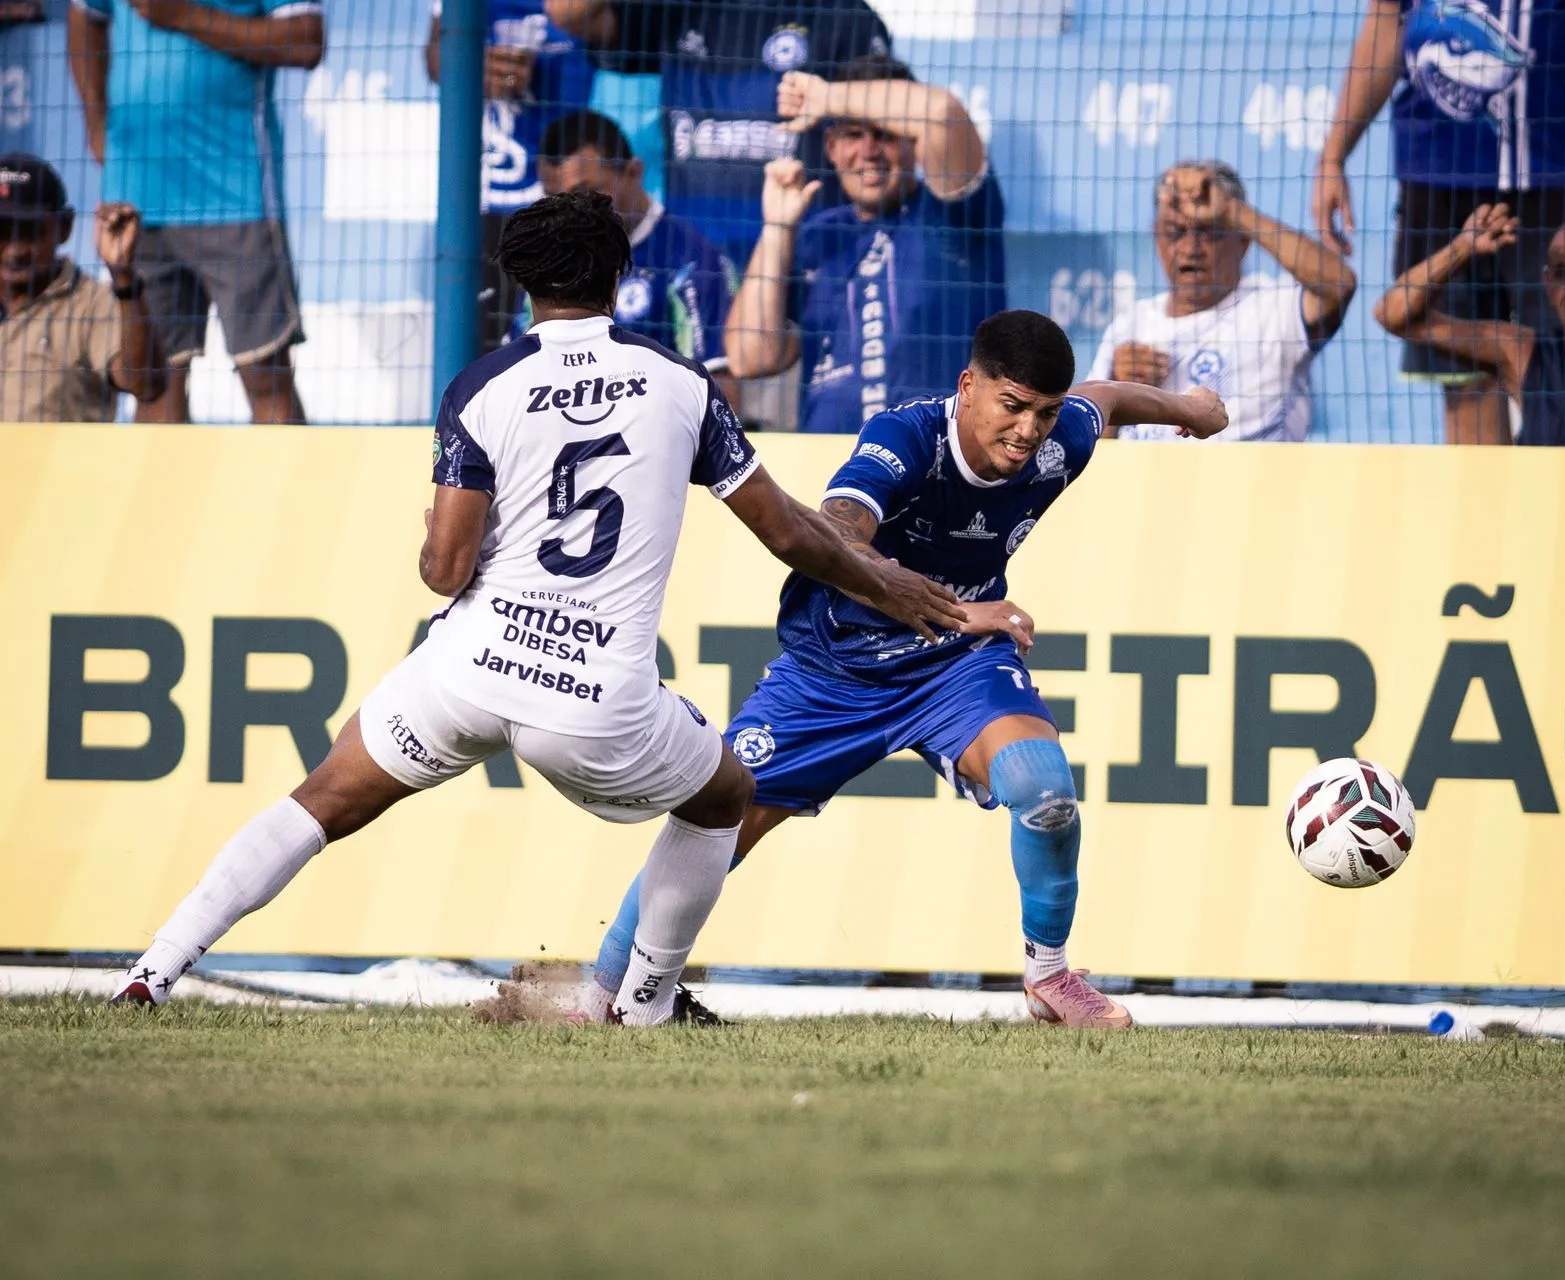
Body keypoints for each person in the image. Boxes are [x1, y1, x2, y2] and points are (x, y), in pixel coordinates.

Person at [109, 190, 967, 1022]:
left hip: (469, 674)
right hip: (594, 701)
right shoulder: (681, 384)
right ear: (621, 276)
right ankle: (646, 1002)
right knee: (724, 795)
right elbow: (787, 534)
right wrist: (884, 582)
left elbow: (444, 572)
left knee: (322, 798)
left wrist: (433, 541)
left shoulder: (482, 385)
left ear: (520, 281)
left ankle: (156, 968)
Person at [578, 310, 1230, 1029]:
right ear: (969, 387)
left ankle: (1050, 977)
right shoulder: (907, 438)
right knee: (717, 824)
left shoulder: (1057, 444)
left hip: (955, 667)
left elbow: (1103, 401)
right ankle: (601, 994)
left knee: (1044, 792)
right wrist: (957, 608)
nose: (1027, 430)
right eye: (1012, 406)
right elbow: (833, 528)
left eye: (1043, 412)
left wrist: (1190, 411)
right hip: (834, 669)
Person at [1313, 0, 1565, 444]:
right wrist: (1333, 154)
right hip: (1437, 176)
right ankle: (1488, 513)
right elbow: (1386, 21)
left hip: (1559, 170)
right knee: (1464, 380)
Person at [67, 0, 324, 425]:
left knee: (265, 377)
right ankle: (161, 495)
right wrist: (95, 120)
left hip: (235, 191)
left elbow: (305, 41)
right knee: (154, 385)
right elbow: (84, 14)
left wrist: (184, 15)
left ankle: (289, 493)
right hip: (137, 196)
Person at [724, 54, 1005, 434]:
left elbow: (940, 112)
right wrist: (776, 228)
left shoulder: (951, 209)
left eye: (884, 134)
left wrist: (827, 97)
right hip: (831, 473)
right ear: (831, 147)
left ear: (912, 139)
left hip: (938, 470)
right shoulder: (817, 235)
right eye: (853, 135)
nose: (869, 150)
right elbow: (748, 359)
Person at [546, 0, 892, 264]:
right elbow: (570, 12)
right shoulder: (678, 8)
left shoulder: (843, 14)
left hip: (811, 268)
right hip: (701, 274)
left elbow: (890, 115)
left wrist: (831, 97)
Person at [1088, 161, 1356, 441]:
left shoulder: (1273, 309)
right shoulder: (1129, 327)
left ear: (1242, 241)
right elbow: (1087, 457)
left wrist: (1230, 210)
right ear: (1157, 237)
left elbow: (1340, 284)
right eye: (1176, 232)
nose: (1190, 249)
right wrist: (1117, 393)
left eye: (1209, 232)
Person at [1374, 171, 1565, 445]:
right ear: (1548, 284)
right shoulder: (1522, 353)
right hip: (1547, 488)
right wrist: (1461, 248)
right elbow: (1392, 315)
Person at [424, 0, 593, 357]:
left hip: (564, 200)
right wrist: (473, 63)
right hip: (485, 203)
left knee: (566, 343)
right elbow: (436, 57)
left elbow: (615, 37)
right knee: (482, 352)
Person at [512, 109, 736, 378]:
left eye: (583, 193)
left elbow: (718, 388)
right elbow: (516, 369)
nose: (567, 214)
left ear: (633, 172)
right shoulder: (548, 260)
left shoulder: (692, 260)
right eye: (553, 199)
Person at [1, 152, 166, 421]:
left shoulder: (93, 301)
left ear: (64, 226)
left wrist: (124, 278)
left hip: (61, 464)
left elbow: (145, 385)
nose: (14, 249)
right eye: (1, 231)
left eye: (31, 230)